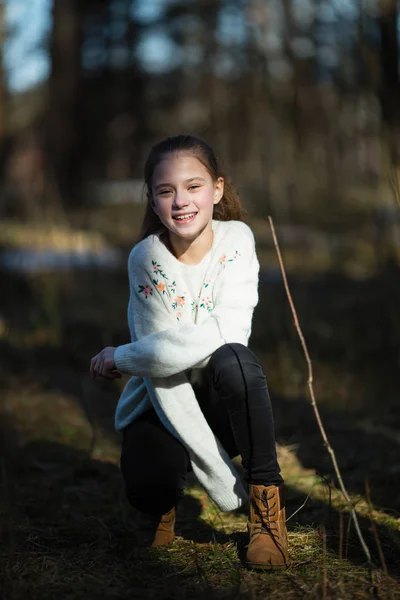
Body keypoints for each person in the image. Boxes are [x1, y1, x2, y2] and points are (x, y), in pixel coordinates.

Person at [89, 134, 289, 569]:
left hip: (224, 397)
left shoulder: (236, 241)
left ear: (217, 189)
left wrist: (124, 356)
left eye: (193, 186)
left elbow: (229, 332)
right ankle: (159, 508)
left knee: (235, 359)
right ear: (153, 199)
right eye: (166, 190)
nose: (181, 201)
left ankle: (267, 519)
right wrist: (223, 483)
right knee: (148, 481)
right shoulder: (146, 258)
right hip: (162, 399)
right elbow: (163, 373)